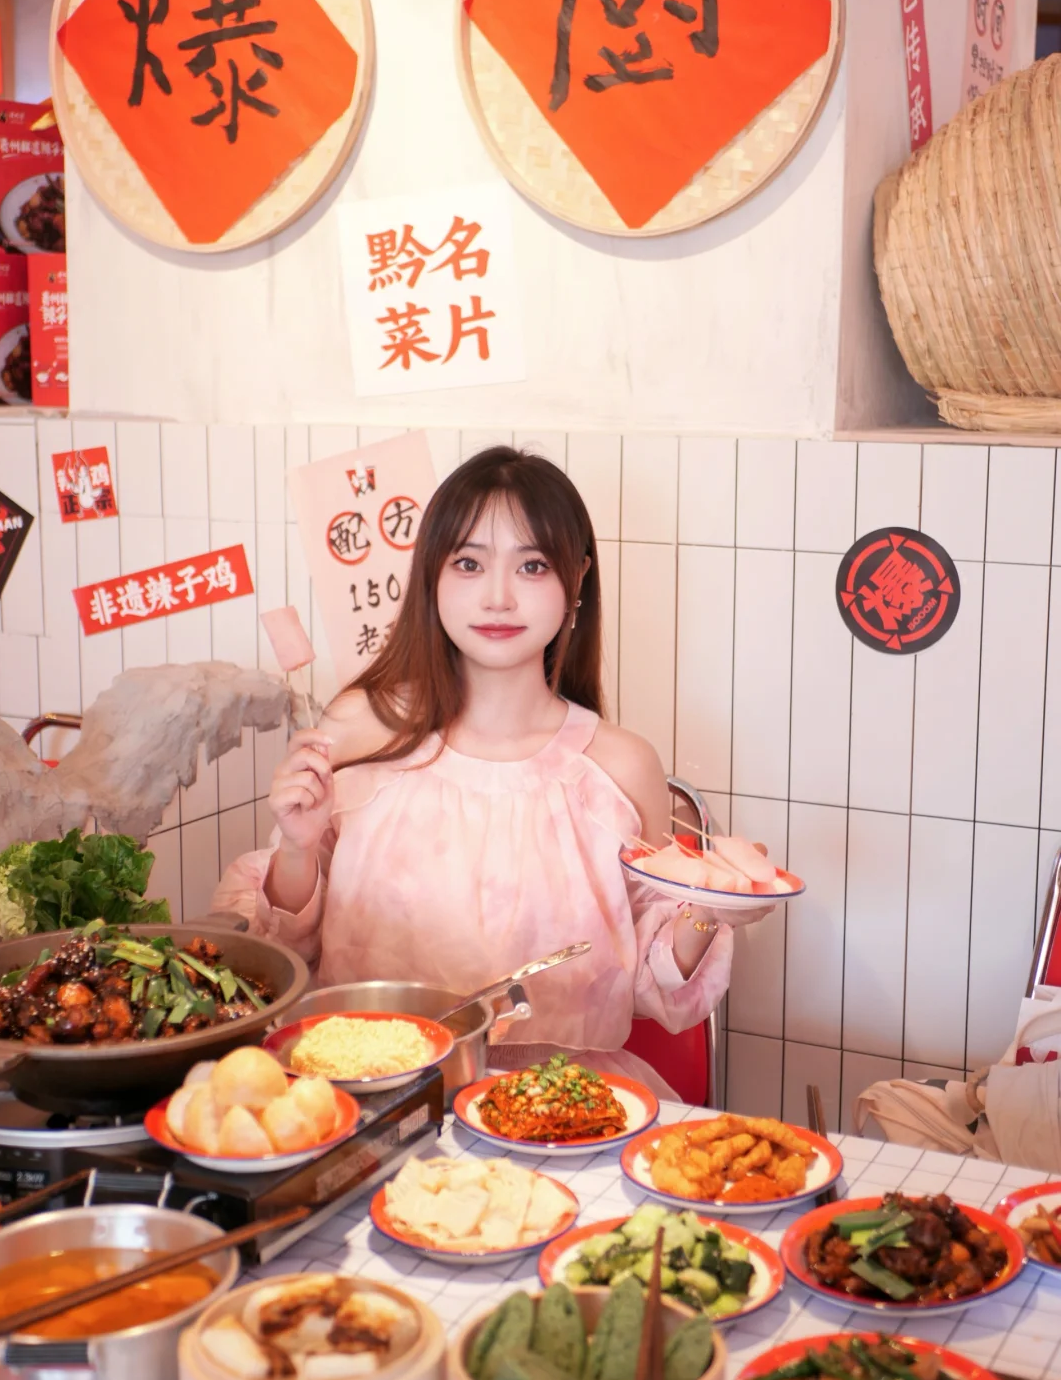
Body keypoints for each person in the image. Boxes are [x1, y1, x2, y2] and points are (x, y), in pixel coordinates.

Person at [214, 447, 767, 1097]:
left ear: (577, 578)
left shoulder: (620, 765)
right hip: (373, 1090)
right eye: (469, 564)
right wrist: (298, 847)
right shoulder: (358, 730)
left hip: (565, 1104)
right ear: (432, 574)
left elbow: (651, 981)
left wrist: (713, 909)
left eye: (532, 566)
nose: (498, 597)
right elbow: (288, 957)